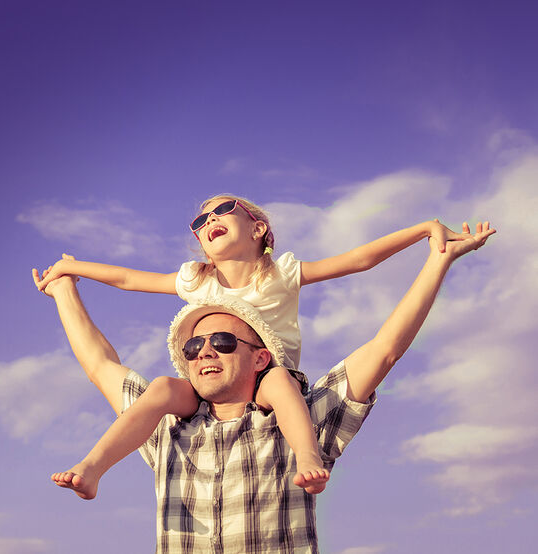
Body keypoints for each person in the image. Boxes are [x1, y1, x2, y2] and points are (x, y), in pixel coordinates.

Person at [33, 221, 493, 553]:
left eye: (222, 341)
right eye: (192, 347)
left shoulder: (303, 420)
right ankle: (93, 467)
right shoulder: (162, 427)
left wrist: (438, 258)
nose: (204, 352)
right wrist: (65, 287)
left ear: (259, 356)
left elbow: (386, 347)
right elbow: (99, 363)